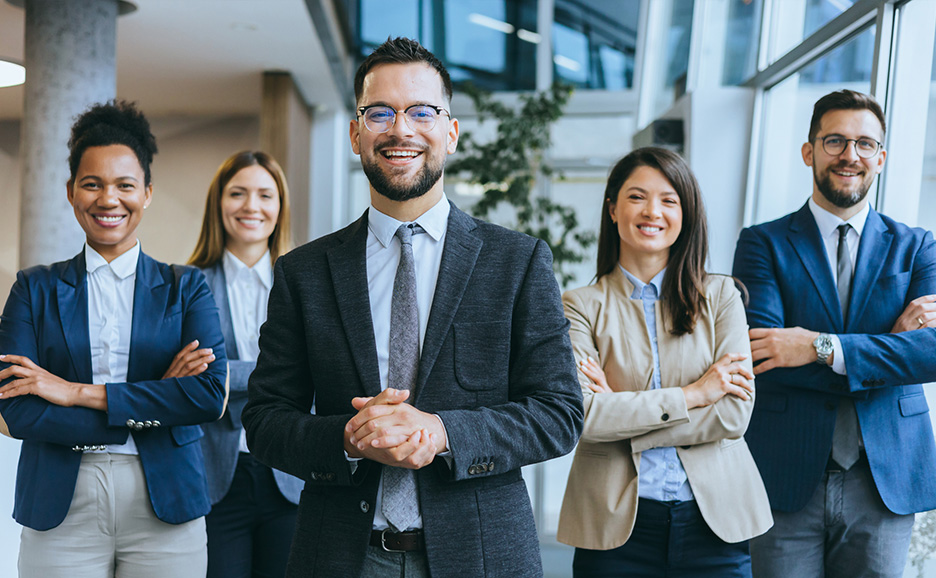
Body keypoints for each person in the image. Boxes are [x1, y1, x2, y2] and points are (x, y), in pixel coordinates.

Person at [241, 37, 583, 578]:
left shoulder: (517, 261)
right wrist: (346, 440)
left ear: (450, 130)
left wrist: (443, 433)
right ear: (356, 133)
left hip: (483, 557)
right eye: (380, 112)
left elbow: (560, 412)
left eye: (421, 111)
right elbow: (263, 420)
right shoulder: (303, 272)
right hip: (340, 558)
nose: (400, 129)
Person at [0, 100, 228, 577]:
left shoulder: (186, 288)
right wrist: (154, 403)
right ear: (70, 192)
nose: (109, 199)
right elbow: (14, 407)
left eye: (125, 185)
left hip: (167, 500)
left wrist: (72, 392)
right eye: (92, 184)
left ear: (146, 192)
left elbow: (206, 397)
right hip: (58, 504)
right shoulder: (33, 288)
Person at [732, 89, 936, 578]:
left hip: (883, 474)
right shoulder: (762, 243)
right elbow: (767, 355)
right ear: (809, 151)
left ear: (881, 158)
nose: (851, 155)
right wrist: (890, 344)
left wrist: (816, 347)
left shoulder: (917, 247)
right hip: (786, 469)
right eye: (835, 141)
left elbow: (930, 354)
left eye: (865, 144)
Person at [557, 147, 773, 578]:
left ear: (686, 213)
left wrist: (624, 416)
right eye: (637, 197)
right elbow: (585, 416)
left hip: (715, 522)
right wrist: (695, 394)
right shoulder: (578, 305)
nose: (652, 211)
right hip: (613, 527)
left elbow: (733, 413)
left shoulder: (722, 296)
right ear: (613, 209)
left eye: (669, 200)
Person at [187, 150, 303, 578]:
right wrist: (282, 373)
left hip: (292, 474)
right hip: (217, 478)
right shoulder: (187, 285)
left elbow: (317, 373)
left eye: (264, 195)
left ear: (279, 208)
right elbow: (195, 380)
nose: (251, 206)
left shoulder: (307, 283)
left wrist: (227, 372)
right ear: (219, 203)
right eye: (237, 193)